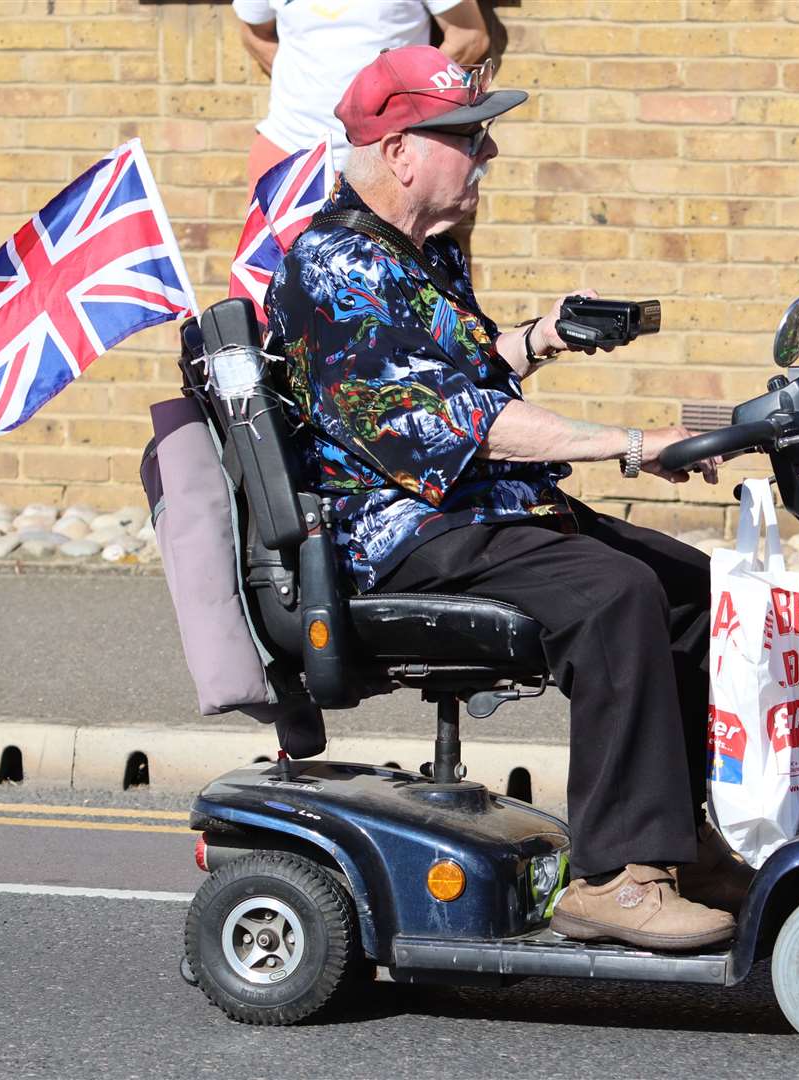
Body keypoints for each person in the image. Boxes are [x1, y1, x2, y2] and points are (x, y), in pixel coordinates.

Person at [266, 45, 746, 951]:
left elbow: (468, 370)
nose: (487, 156)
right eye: (468, 139)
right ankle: (615, 877)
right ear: (403, 150)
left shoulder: (419, 254)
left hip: (472, 508)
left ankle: (676, 844)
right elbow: (461, 423)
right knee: (615, 595)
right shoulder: (336, 265)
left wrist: (547, 336)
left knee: (693, 586)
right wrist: (634, 446)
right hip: (399, 528)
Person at [233, 0, 491, 190]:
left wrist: (404, 103)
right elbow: (254, 32)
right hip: (287, 148)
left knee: (384, 265)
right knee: (276, 265)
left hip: (388, 159)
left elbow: (468, 38)